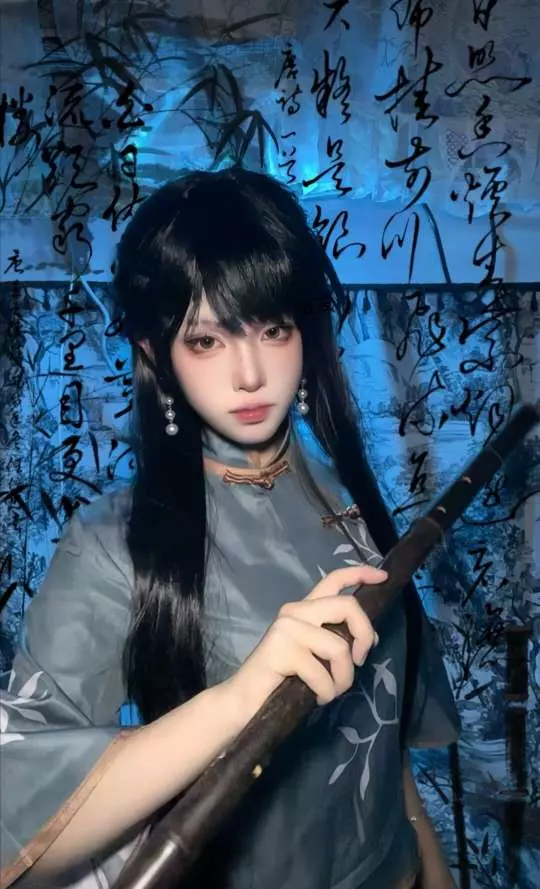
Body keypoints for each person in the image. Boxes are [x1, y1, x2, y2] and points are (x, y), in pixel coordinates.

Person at [0, 168, 460, 889]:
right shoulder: (113, 543)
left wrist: (432, 869)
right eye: (206, 340)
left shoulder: (347, 495)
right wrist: (239, 701)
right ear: (155, 353)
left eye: (273, 329)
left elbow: (381, 743)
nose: (250, 374)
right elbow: (14, 808)